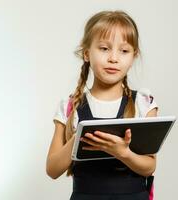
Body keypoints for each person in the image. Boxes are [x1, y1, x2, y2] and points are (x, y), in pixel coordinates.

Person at [46, 10, 158, 200]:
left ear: (133, 57)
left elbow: (149, 167)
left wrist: (123, 153)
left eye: (124, 51)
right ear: (87, 53)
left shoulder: (143, 103)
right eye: (104, 48)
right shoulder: (71, 106)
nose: (113, 58)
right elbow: (52, 169)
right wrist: (78, 138)